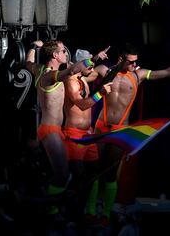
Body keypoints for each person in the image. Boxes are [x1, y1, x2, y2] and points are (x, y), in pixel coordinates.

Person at [89, 42, 170, 225]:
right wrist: (94, 59)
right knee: (95, 172)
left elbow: (166, 72)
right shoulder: (105, 70)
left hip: (121, 129)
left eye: (135, 61)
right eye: (129, 62)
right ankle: (90, 211)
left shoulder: (139, 74)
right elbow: (82, 74)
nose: (133, 65)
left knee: (110, 174)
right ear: (121, 59)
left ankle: (105, 214)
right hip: (101, 126)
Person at [25, 40, 109, 220]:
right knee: (63, 174)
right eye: (63, 51)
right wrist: (91, 61)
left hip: (55, 130)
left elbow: (28, 63)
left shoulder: (38, 70)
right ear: (55, 56)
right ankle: (51, 213)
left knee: (65, 174)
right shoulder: (49, 75)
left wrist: (33, 46)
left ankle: (57, 210)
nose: (65, 54)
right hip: (50, 130)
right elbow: (71, 71)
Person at [62, 49, 112, 224]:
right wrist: (100, 94)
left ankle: (80, 213)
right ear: (79, 65)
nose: (92, 68)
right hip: (74, 135)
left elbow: (104, 72)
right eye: (88, 65)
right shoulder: (71, 81)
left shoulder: (85, 77)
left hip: (88, 135)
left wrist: (120, 64)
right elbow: (83, 105)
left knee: (93, 175)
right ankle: (68, 215)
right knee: (78, 177)